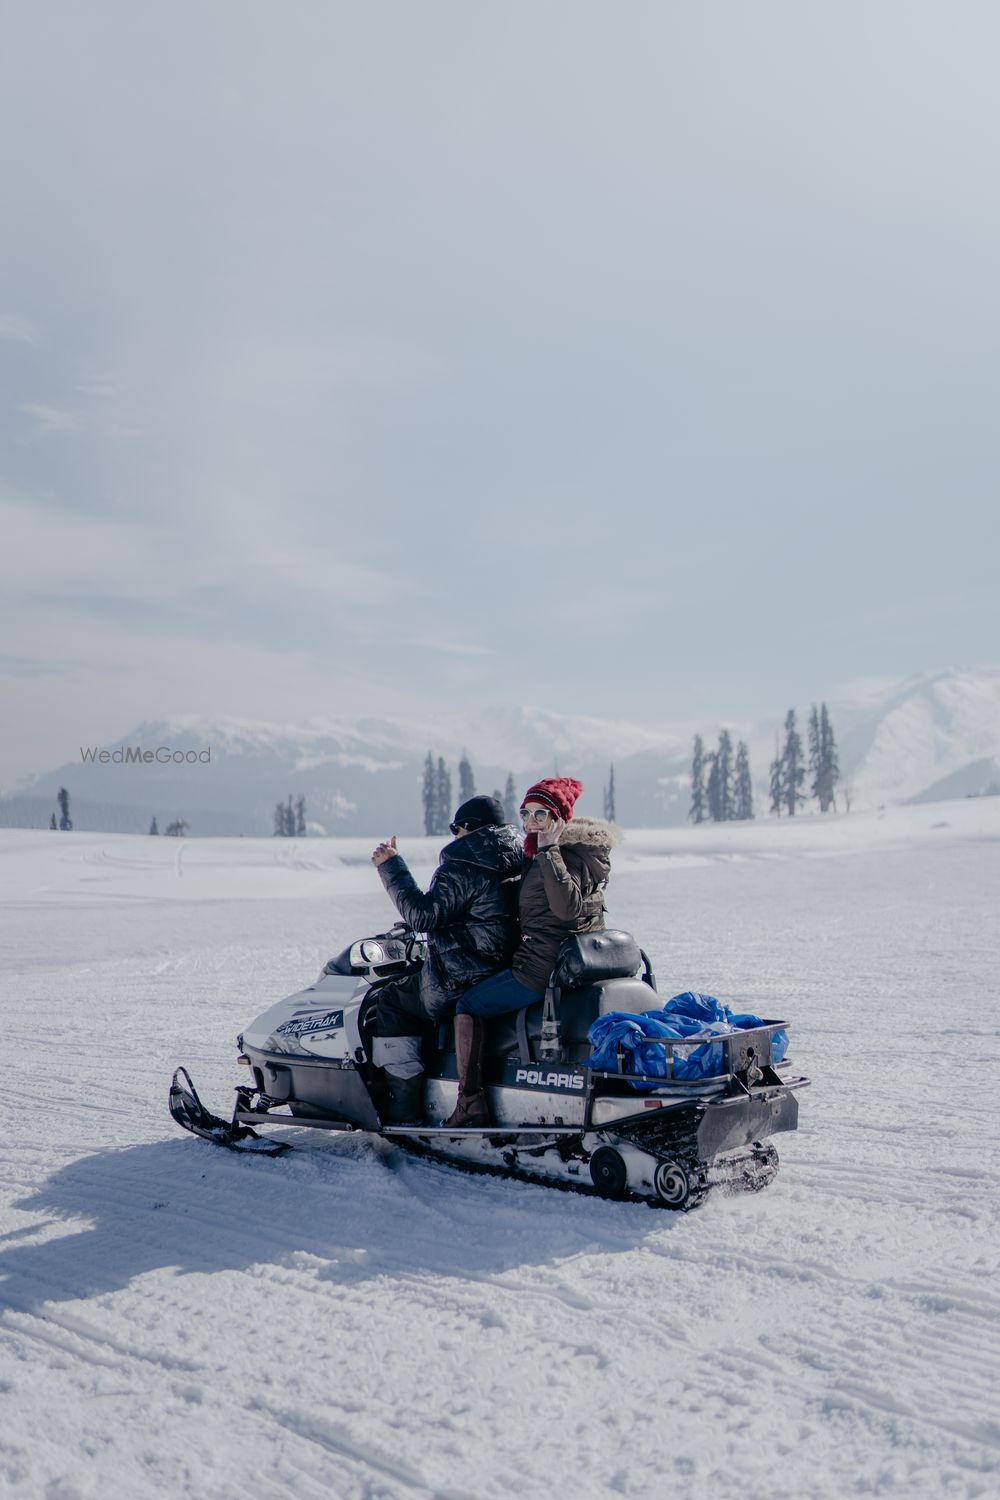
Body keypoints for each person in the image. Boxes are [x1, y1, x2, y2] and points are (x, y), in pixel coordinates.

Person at [444, 776, 620, 1128]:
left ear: (559, 819)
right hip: (565, 962)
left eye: (542, 814)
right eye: (526, 813)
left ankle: (470, 1103)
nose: (532, 822)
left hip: (539, 969)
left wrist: (548, 852)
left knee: (468, 1004)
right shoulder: (581, 853)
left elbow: (566, 907)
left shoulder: (555, 855)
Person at [370, 795, 523, 1123]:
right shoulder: (517, 854)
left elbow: (422, 916)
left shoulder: (465, 863)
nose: (454, 835)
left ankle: (403, 1105)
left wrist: (390, 865)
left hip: (464, 974)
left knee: (393, 1001)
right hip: (503, 969)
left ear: (470, 828)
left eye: (456, 828)